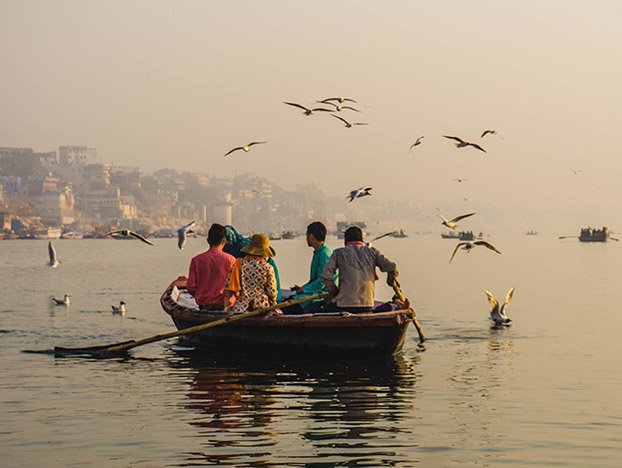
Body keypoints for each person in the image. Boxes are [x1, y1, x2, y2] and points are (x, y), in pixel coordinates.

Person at [321, 226, 398, 313]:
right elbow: (392, 267)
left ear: (346, 240)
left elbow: (326, 275)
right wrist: (391, 278)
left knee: (320, 307)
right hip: (367, 304)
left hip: (344, 305)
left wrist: (335, 292)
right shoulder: (373, 252)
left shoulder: (338, 253)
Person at [223, 225, 283, 302]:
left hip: (242, 304)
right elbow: (272, 293)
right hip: (262, 304)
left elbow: (229, 287)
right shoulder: (268, 267)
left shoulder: (239, 263)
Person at [285, 221, 333, 314]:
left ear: (311, 236)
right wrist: (302, 288)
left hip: (319, 296)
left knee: (287, 308)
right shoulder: (318, 252)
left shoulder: (324, 254)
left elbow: (322, 282)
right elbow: (314, 280)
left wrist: (304, 290)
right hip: (313, 293)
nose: (306, 239)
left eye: (307, 236)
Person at [186, 223, 236, 310]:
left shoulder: (196, 260)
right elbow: (236, 286)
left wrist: (201, 295)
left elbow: (191, 287)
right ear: (224, 241)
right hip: (226, 307)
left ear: (208, 241)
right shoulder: (231, 260)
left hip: (204, 306)